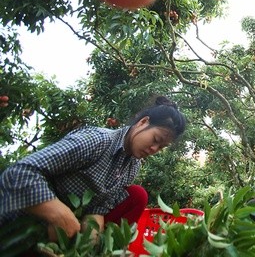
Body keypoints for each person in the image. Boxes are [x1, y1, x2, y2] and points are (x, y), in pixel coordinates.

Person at [0, 96, 187, 242]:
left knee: (137, 195)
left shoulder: (132, 166)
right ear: (143, 122)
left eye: (161, 148)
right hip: (18, 225)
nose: (154, 149)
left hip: (61, 237)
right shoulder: (96, 141)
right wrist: (58, 213)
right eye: (155, 140)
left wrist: (91, 239)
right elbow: (19, 172)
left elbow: (98, 206)